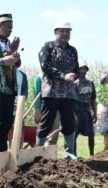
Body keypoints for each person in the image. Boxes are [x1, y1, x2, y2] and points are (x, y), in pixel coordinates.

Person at [36, 21, 79, 159]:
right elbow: (45, 66)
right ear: (56, 32)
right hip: (51, 92)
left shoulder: (73, 50)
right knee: (46, 122)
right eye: (62, 31)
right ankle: (38, 152)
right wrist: (62, 75)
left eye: (68, 31)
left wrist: (74, 74)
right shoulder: (48, 46)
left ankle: (70, 154)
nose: (65, 34)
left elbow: (77, 69)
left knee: (68, 123)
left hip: (68, 93)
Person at [0, 14, 20, 152]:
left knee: (7, 121)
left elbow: (16, 64)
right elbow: (4, 61)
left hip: (8, 89)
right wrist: (2, 61)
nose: (11, 30)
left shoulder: (7, 43)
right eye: (8, 27)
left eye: (12, 28)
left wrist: (14, 53)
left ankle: (2, 151)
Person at [74, 62, 97, 156]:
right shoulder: (74, 84)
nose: (82, 71)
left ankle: (92, 154)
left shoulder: (90, 83)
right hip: (76, 111)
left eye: (84, 69)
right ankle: (73, 155)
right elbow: (71, 101)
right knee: (74, 135)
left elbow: (93, 99)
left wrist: (95, 112)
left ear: (87, 70)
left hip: (87, 111)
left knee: (91, 134)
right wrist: (72, 114)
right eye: (80, 69)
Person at [34, 73, 60, 145]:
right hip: (43, 108)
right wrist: (37, 109)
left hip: (56, 108)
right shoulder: (39, 77)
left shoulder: (58, 76)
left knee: (54, 133)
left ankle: (50, 153)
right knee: (42, 131)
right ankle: (39, 151)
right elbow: (36, 94)